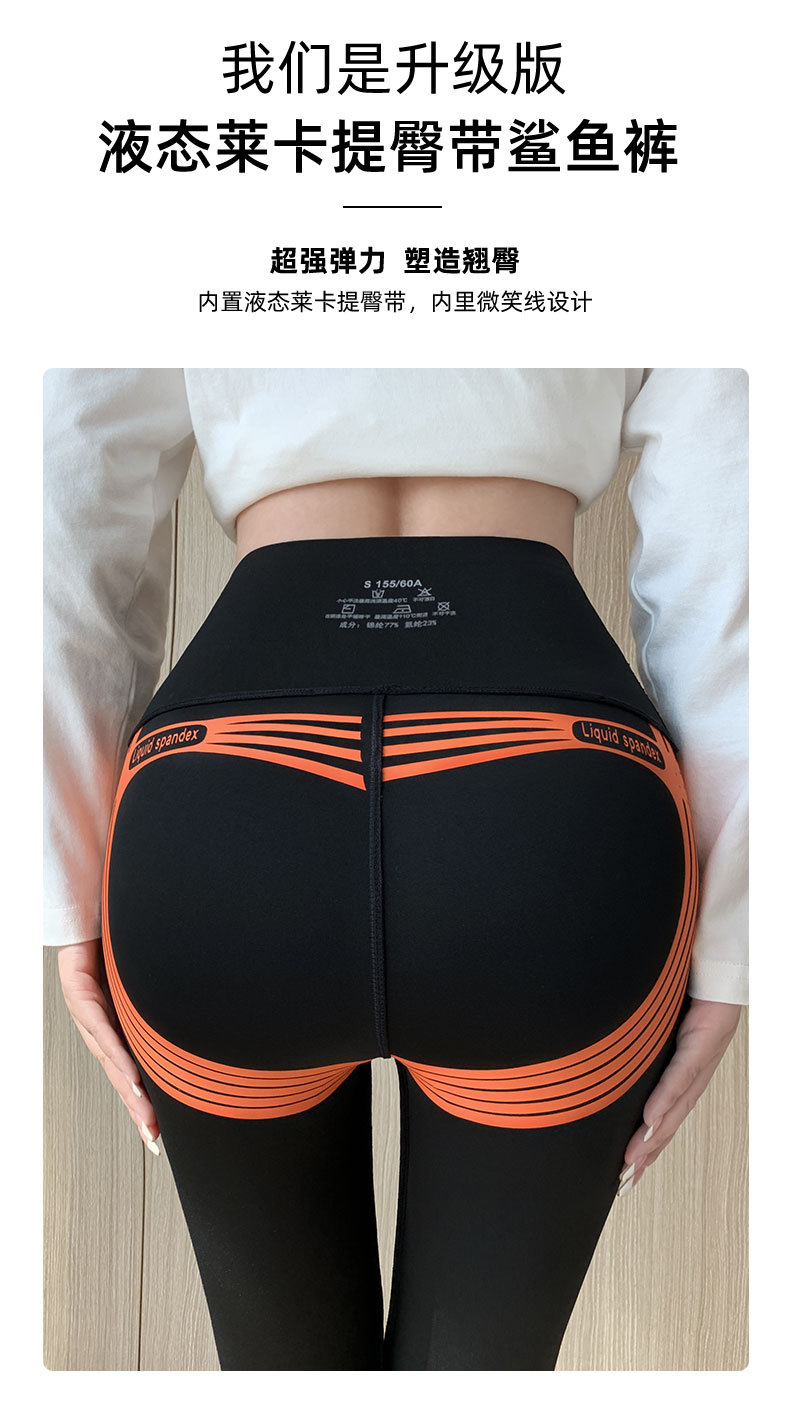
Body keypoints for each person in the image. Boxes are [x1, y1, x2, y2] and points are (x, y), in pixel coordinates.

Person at [43, 368, 747, 1371]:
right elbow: (730, 521)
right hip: (551, 809)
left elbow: (70, 468)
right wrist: (736, 936)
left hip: (226, 805)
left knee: (280, 1367)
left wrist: (63, 885)